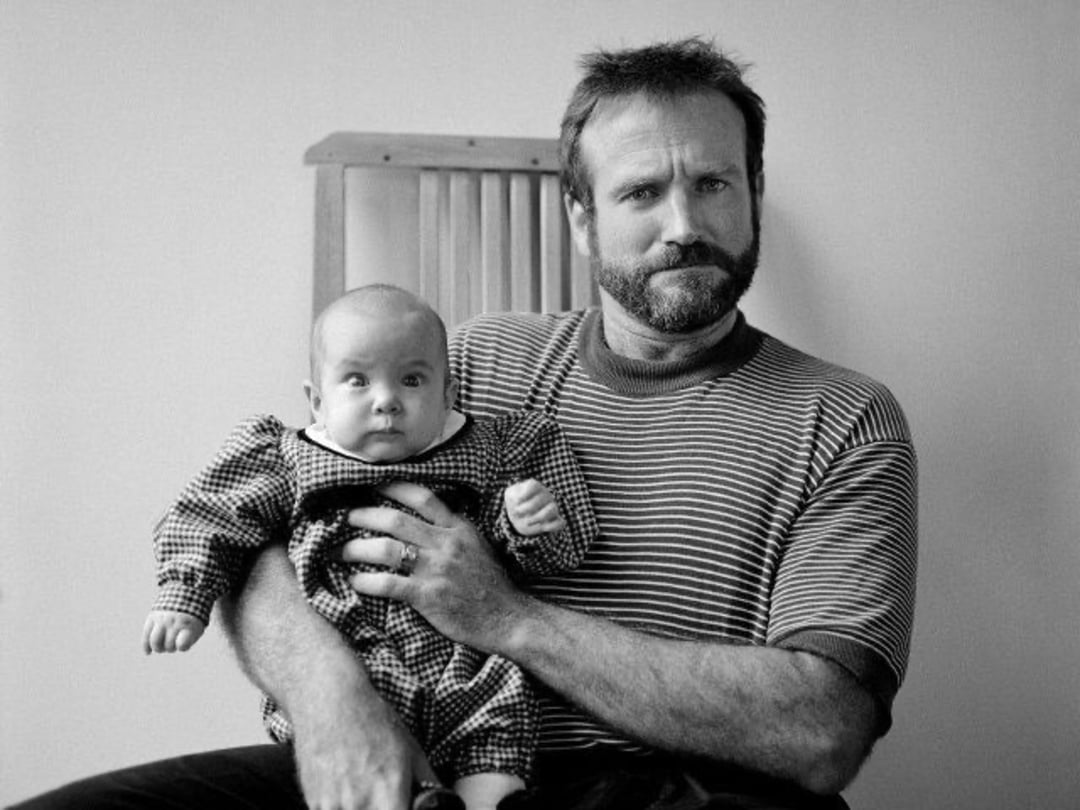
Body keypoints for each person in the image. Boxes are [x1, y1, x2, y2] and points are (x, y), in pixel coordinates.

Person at [9, 37, 917, 810]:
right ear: (582, 219)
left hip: (680, 790)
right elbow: (260, 526)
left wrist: (508, 618)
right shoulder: (472, 362)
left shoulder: (842, 417)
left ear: (754, 190)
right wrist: (332, 703)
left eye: (713, 182)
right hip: (413, 756)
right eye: (642, 192)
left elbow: (820, 731)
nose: (684, 224)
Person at [142, 284, 599, 810]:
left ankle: (489, 798)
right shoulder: (290, 459)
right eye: (358, 380)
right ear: (317, 401)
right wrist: (185, 594)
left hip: (466, 660)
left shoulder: (489, 451)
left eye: (412, 380)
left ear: (448, 395)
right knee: (369, 748)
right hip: (356, 660)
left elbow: (556, 551)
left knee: (499, 708)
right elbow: (215, 514)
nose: (386, 401)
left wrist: (527, 520)